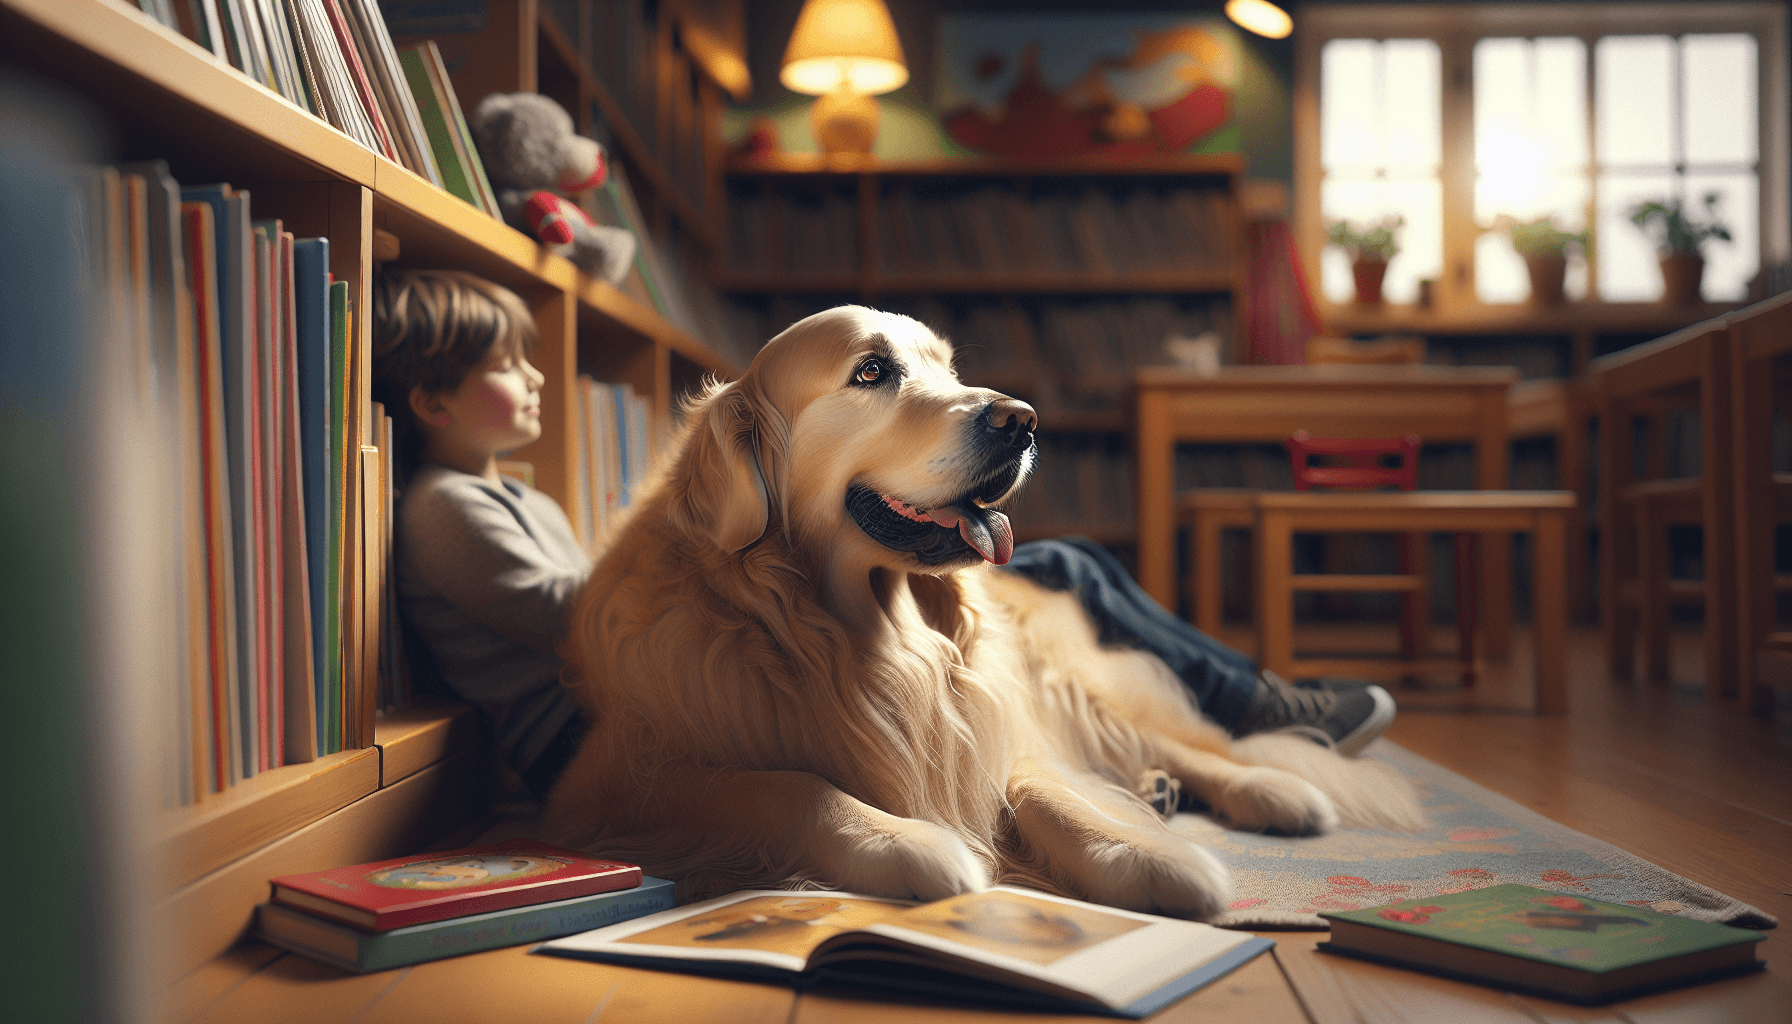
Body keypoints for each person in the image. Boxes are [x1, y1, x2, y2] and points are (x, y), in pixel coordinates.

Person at [374, 273, 1392, 800]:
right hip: (586, 731)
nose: (539, 376)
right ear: (428, 399)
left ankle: (1243, 699)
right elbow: (574, 618)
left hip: (620, 683)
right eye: (508, 365)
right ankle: (1254, 699)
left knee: (1063, 566)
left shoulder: (515, 499)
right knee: (1066, 564)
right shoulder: (443, 512)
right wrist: (688, 554)